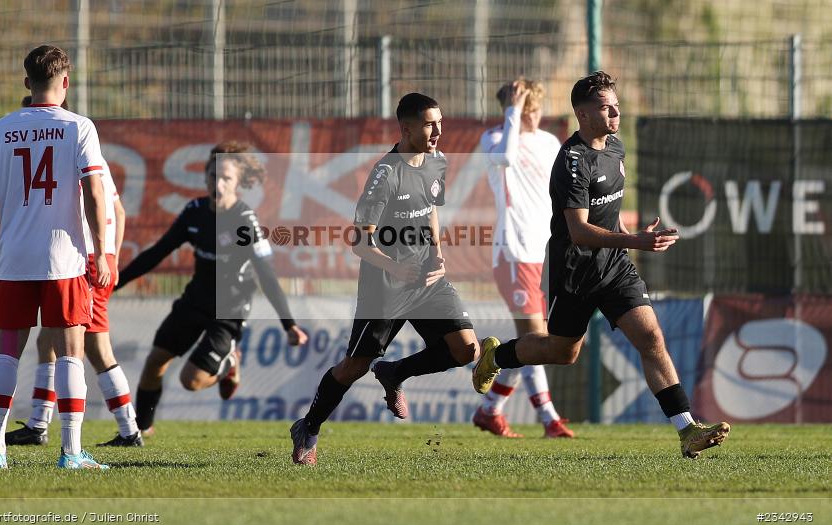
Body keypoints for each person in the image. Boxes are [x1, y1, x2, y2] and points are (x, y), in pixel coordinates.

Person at [473, 71, 730, 458]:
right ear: (582, 113)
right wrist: (635, 241)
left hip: (615, 267)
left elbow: (608, 214)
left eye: (617, 105)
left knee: (651, 337)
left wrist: (631, 235)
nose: (615, 112)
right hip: (575, 270)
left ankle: (686, 429)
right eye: (605, 106)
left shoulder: (616, 148)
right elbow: (578, 231)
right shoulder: (572, 161)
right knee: (563, 351)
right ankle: (497, 356)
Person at [290, 92, 482, 466]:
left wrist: (438, 253)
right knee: (353, 367)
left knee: (466, 350)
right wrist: (396, 267)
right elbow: (359, 243)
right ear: (406, 128)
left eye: (440, 122)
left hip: (427, 278)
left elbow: (430, 212)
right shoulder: (386, 174)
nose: (438, 131)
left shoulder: (436, 161)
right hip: (386, 285)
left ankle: (395, 372)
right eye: (430, 124)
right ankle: (308, 428)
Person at [0, 45, 111, 469]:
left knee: (6, 352)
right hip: (64, 258)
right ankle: (71, 452)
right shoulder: (79, 127)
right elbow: (94, 190)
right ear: (65, 83)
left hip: (14, 256)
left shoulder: (0, 128)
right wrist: (101, 252)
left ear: (25, 82)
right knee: (71, 350)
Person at [115, 142, 308, 435]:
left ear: (238, 184)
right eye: (213, 175)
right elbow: (159, 251)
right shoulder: (194, 211)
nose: (217, 183)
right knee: (155, 361)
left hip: (228, 311)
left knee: (190, 381)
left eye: (226, 178)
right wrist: (117, 282)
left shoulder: (245, 222)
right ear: (205, 176)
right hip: (195, 299)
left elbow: (266, 275)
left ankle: (230, 363)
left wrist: (289, 325)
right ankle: (141, 429)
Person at [5, 95, 143, 447]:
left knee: (92, 347)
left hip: (83, 264)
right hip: (94, 259)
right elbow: (120, 212)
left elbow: (97, 205)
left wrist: (101, 256)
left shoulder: (67, 152)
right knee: (49, 340)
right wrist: (110, 254)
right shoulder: (85, 149)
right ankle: (39, 423)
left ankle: (129, 430)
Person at [475, 79, 573, 439]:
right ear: (512, 110)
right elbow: (505, 158)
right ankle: (550, 419)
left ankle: (489, 411)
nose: (534, 117)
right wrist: (512, 112)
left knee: (530, 343)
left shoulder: (549, 142)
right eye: (526, 110)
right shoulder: (496, 139)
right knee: (537, 337)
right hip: (513, 252)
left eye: (536, 110)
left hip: (545, 253)